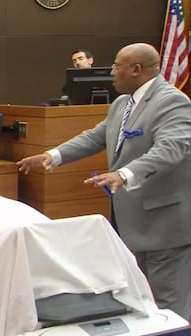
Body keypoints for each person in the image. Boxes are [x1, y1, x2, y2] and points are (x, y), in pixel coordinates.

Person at [17, 42, 191, 321]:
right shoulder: (123, 103)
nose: (111, 73)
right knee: (143, 301)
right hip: (132, 224)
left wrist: (124, 174)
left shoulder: (172, 101)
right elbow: (95, 137)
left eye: (116, 67)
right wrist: (52, 156)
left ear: (136, 70)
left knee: (169, 304)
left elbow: (171, 147)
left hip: (164, 224)